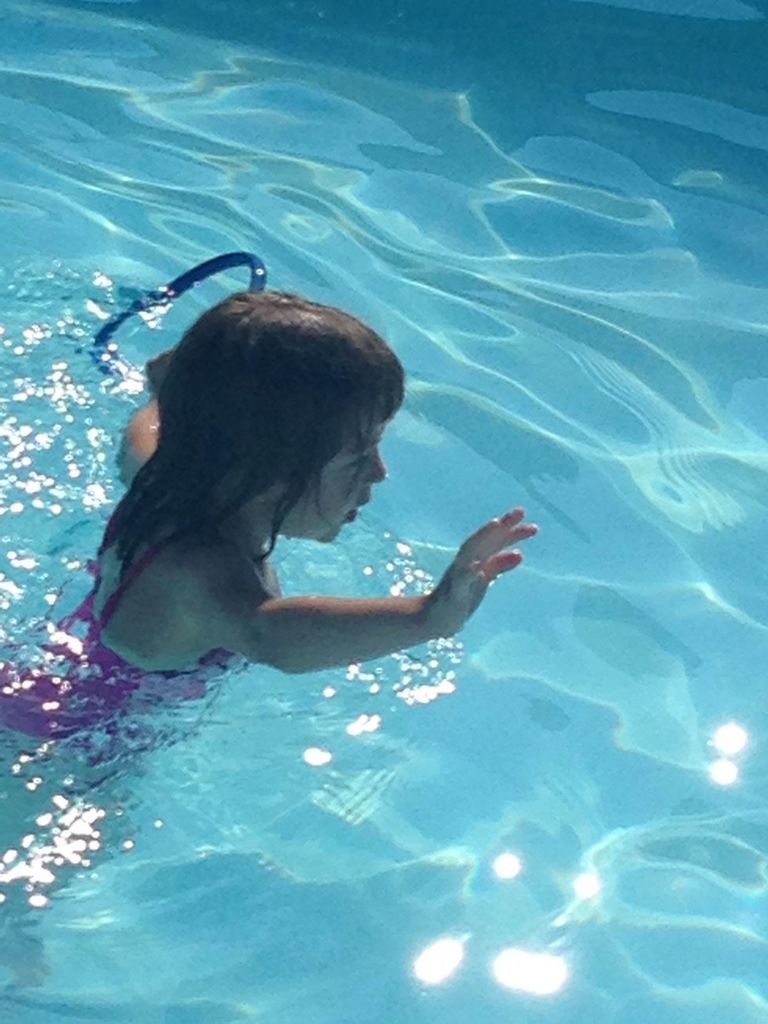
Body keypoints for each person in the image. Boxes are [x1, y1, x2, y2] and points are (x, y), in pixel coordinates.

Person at [0, 289, 536, 738]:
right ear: (269, 468)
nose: (380, 473)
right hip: (60, 739)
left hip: (48, 681)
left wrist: (167, 394)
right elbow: (269, 636)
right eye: (357, 457)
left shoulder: (160, 480)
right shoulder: (196, 572)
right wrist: (427, 616)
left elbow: (141, 436)